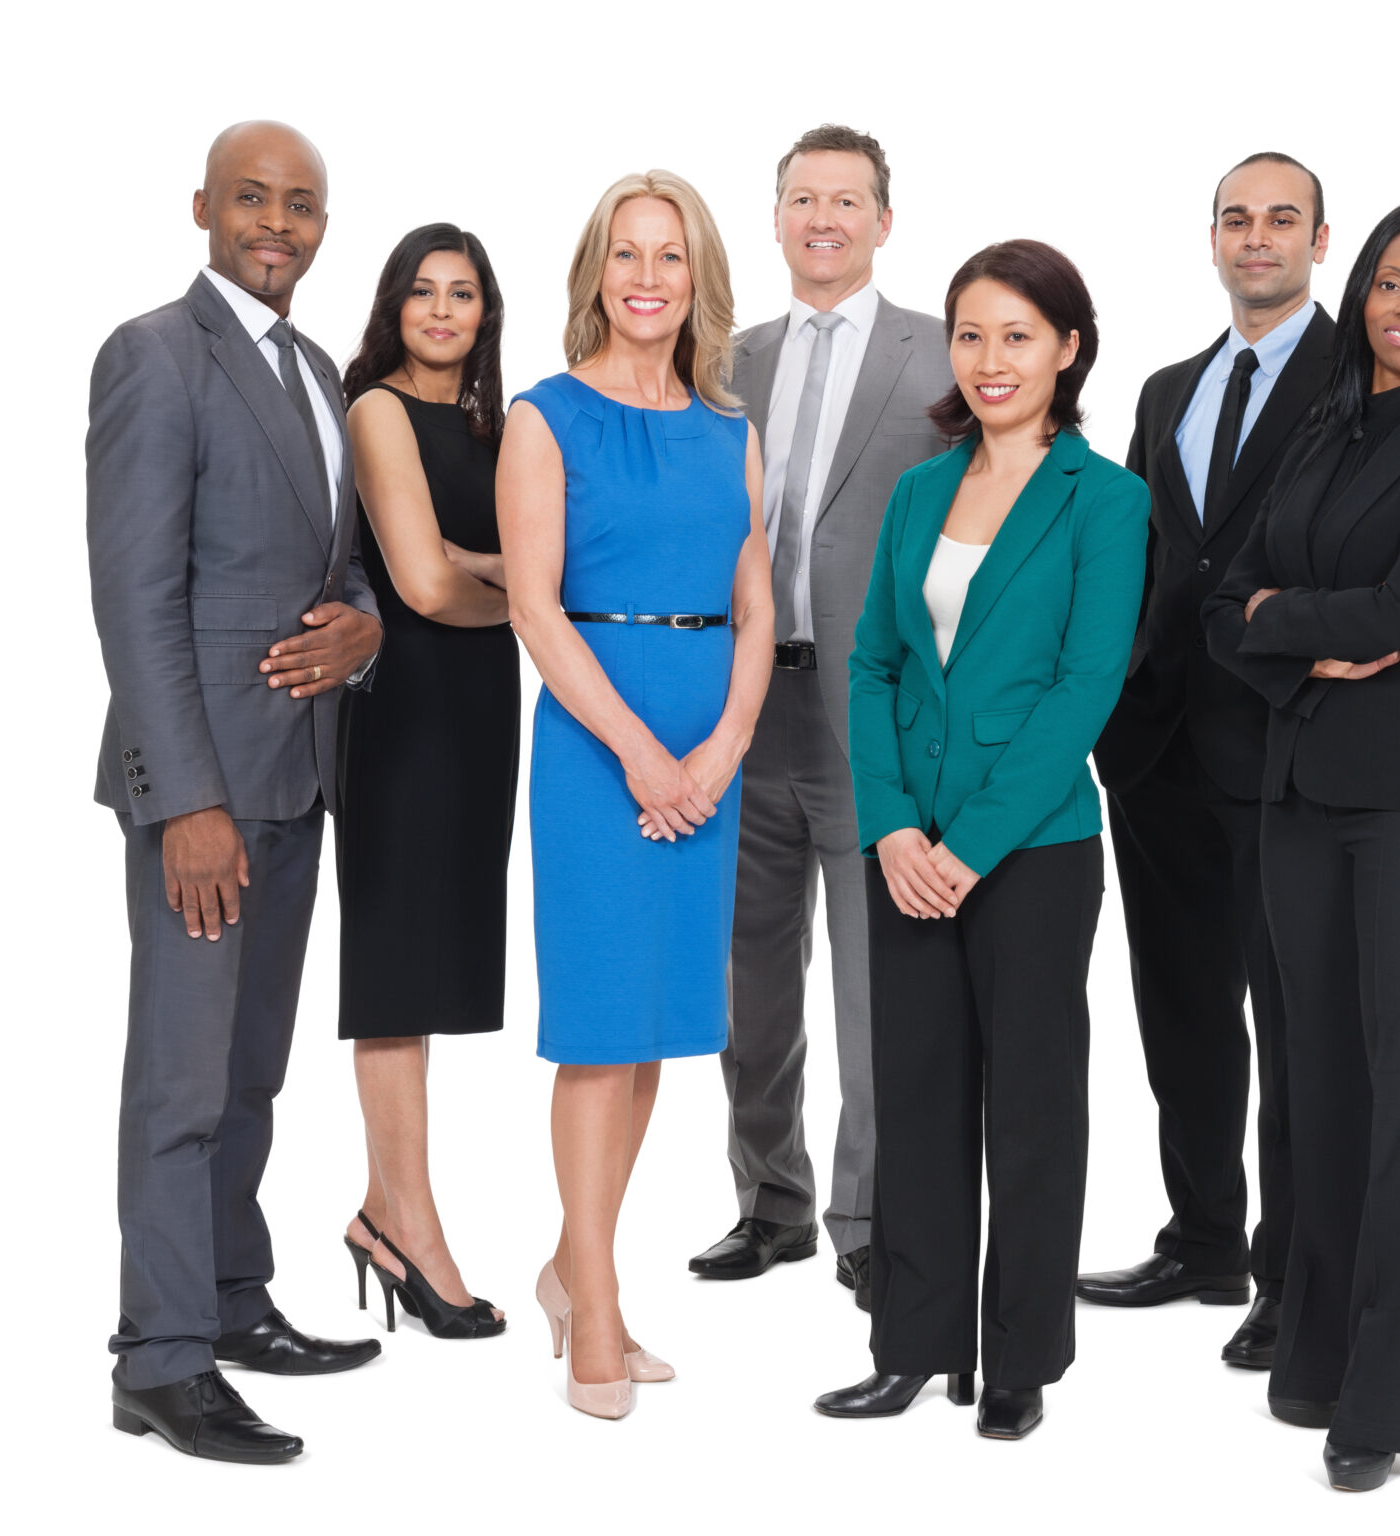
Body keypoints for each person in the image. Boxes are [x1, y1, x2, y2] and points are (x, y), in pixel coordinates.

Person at [1200, 199, 1400, 1492]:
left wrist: (1292, 613)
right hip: (1300, 786)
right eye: (1391, 281)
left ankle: (1387, 1402)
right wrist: (1289, 624)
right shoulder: (1324, 425)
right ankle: (1318, 1357)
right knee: (1317, 1088)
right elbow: (1222, 604)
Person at [816, 241, 1148, 1440]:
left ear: (1067, 347)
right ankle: (912, 1344)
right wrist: (898, 827)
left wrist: (972, 847)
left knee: (1032, 1105)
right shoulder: (920, 488)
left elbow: (1084, 687)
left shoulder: (1106, 499)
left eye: (1018, 335)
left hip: (1035, 853)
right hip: (907, 847)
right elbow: (871, 667)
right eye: (970, 334)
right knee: (917, 1097)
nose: (991, 359)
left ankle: (1017, 1360)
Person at [88, 121, 384, 1464]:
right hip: (204, 795)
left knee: (252, 1071)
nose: (278, 223)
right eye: (254, 199)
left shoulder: (317, 370)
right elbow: (135, 597)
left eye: (303, 205)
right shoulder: (157, 354)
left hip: (299, 775)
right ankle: (157, 1359)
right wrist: (181, 801)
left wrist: (366, 633)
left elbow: (348, 569)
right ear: (205, 206)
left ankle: (226, 1291)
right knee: (183, 1079)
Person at [499, 171, 772, 1419]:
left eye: (671, 256)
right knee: (600, 1025)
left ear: (698, 277)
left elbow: (756, 600)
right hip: (595, 747)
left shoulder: (731, 426)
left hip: (706, 740)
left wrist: (720, 748)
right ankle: (596, 1301)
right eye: (627, 254)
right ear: (596, 273)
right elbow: (534, 606)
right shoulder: (544, 416)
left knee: (659, 1024)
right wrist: (638, 753)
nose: (648, 277)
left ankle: (575, 1263)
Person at [1077, 152, 1334, 1371]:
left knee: (1289, 1021)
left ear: (1320, 242)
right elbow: (1140, 551)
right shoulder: (1170, 385)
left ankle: (1290, 1270)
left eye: (1282, 219)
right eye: (1237, 218)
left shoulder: (1355, 380)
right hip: (1160, 746)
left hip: (1287, 744)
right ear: (1213, 239)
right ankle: (1205, 1237)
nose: (1257, 237)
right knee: (1179, 1005)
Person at [689, 124, 952, 1306]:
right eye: (803, 199)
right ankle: (771, 1202)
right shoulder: (724, 361)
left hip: (877, 714)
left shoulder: (945, 355)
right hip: (745, 710)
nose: (824, 219)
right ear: (779, 216)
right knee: (749, 980)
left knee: (874, 980)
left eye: (848, 200)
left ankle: (868, 1218)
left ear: (884, 222)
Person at [335, 224, 515, 1340]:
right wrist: (524, 595)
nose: (441, 311)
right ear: (393, 305)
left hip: (483, 711)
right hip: (402, 711)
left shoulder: (497, 423)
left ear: (486, 312)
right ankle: (408, 1226)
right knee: (398, 970)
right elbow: (424, 584)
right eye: (422, 291)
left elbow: (493, 566)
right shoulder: (377, 411)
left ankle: (376, 1209)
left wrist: (491, 575)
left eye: (463, 294)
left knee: (442, 960)